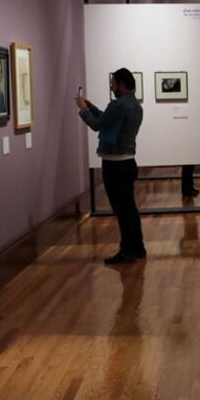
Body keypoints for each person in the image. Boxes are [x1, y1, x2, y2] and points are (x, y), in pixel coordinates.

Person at [76, 68, 145, 264]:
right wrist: (90, 106)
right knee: (129, 208)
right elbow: (107, 120)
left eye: (113, 84)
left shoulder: (118, 105)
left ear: (121, 84)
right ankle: (137, 248)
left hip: (115, 165)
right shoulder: (135, 105)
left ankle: (127, 251)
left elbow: (97, 125)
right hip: (128, 162)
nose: (112, 87)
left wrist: (82, 109)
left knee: (122, 210)